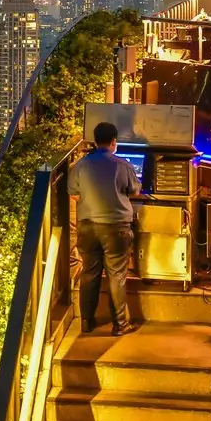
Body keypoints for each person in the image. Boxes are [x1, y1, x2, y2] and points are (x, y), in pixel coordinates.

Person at [67, 121, 139, 334]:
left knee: (89, 272)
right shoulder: (122, 165)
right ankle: (120, 325)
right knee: (117, 275)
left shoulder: (80, 165)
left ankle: (86, 322)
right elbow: (134, 191)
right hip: (116, 228)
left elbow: (73, 193)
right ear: (114, 142)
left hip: (88, 227)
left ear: (95, 141)